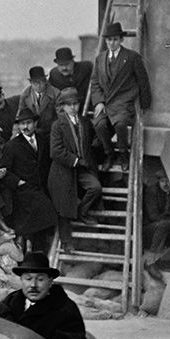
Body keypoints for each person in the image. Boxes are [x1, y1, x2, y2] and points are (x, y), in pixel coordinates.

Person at [0, 251, 88, 339]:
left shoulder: (65, 309)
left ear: (50, 282)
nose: (33, 285)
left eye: (40, 279)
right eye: (28, 279)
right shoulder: (11, 301)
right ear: (21, 280)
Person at [92, 22, 152, 173]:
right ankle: (110, 154)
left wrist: (145, 103)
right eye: (109, 40)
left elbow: (143, 80)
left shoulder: (131, 57)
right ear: (106, 41)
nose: (112, 43)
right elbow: (95, 82)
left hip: (124, 102)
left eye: (115, 39)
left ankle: (124, 155)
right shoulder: (100, 59)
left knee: (120, 124)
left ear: (121, 40)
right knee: (99, 125)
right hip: (106, 103)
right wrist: (98, 102)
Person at [48, 88, 104, 252]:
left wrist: (97, 144)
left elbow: (94, 138)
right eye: (69, 105)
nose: (73, 107)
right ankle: (67, 242)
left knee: (95, 188)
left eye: (75, 104)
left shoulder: (85, 122)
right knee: (64, 204)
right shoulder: (58, 125)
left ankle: (82, 211)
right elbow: (55, 151)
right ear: (63, 107)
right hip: (63, 171)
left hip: (83, 168)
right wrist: (76, 161)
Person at [1, 114, 58, 253]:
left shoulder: (43, 141)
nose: (25, 127)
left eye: (28, 123)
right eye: (22, 124)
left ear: (35, 123)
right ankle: (23, 247)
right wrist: (19, 182)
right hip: (23, 194)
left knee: (40, 229)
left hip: (43, 189)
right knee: (42, 215)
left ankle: (39, 256)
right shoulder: (12, 145)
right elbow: (4, 172)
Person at [16, 65, 56, 136]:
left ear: (45, 81)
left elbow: (61, 117)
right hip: (32, 132)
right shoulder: (25, 94)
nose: (38, 85)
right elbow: (20, 116)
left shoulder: (55, 93)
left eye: (41, 81)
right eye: (35, 82)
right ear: (30, 83)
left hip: (51, 132)